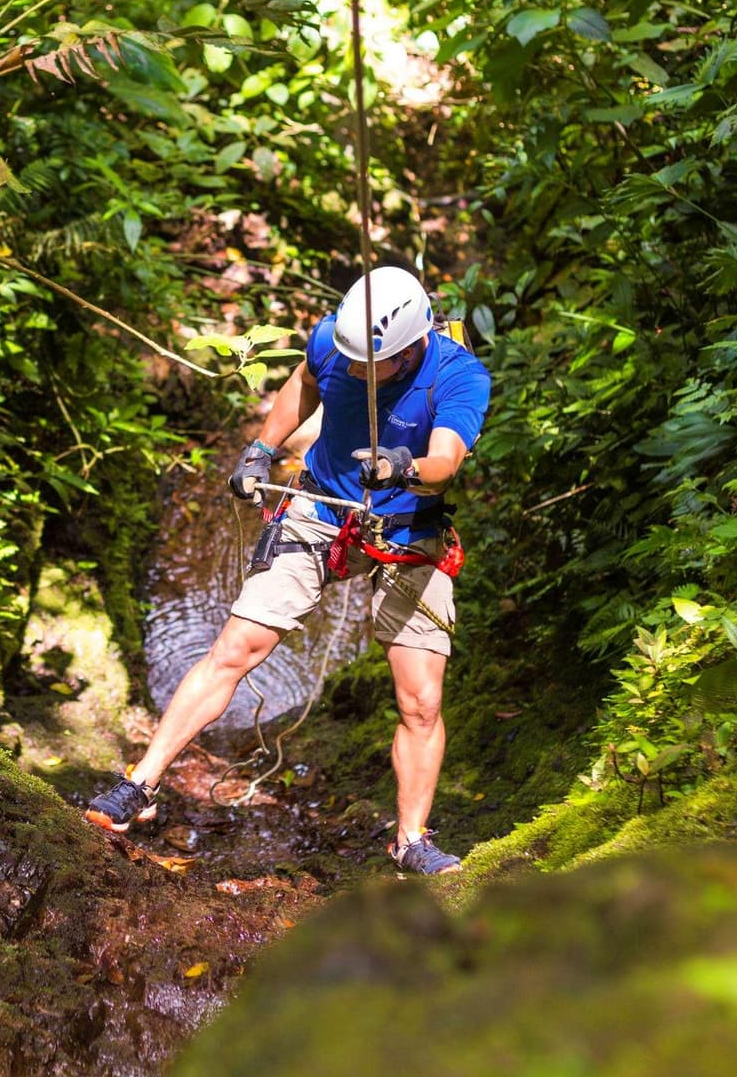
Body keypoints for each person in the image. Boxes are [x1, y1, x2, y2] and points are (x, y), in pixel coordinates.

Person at [85, 267, 491, 874]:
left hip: (411, 529)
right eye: (349, 357)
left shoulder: (457, 377)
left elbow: (447, 460)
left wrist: (404, 466)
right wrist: (261, 450)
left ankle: (411, 840)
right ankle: (139, 786)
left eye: (367, 364)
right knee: (236, 646)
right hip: (323, 508)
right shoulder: (335, 340)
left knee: (421, 700)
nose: (353, 369)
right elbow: (305, 382)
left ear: (407, 352)